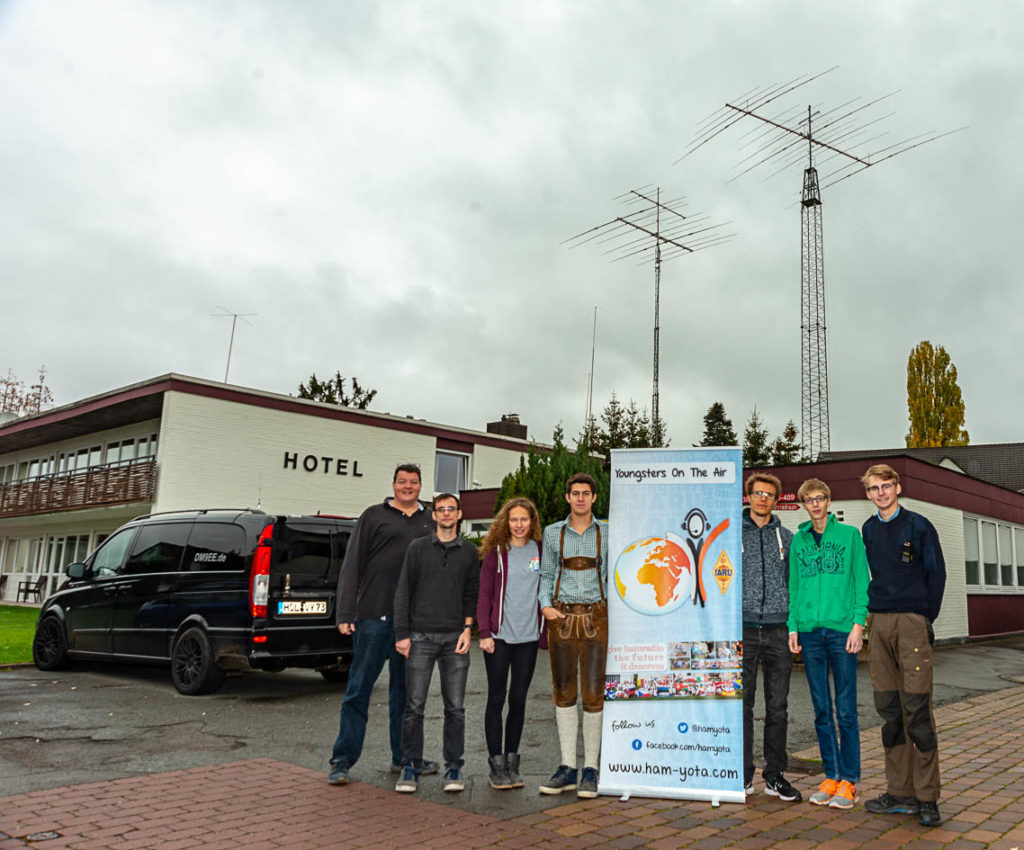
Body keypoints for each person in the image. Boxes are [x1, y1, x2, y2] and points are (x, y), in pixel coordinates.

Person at [327, 463, 437, 786]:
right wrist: (345, 613)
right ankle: (342, 760)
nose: (407, 486)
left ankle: (404, 757)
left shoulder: (430, 520)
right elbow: (352, 564)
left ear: (420, 486)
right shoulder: (373, 516)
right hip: (373, 617)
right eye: (402, 481)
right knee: (358, 690)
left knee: (406, 696)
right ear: (393, 485)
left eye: (413, 482)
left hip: (412, 623)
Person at [860, 464, 947, 827]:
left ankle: (927, 798)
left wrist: (923, 617)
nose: (880, 492)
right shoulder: (867, 530)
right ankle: (900, 792)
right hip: (879, 623)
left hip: (911, 622)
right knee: (890, 710)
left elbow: (936, 574)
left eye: (886, 485)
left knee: (917, 710)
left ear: (897, 487)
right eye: (873, 488)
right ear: (867, 493)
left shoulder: (919, 526)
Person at [788, 478, 869, 810]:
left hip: (841, 631)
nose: (816, 504)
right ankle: (831, 775)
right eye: (810, 499)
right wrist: (793, 627)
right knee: (821, 709)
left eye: (820, 498)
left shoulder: (850, 536)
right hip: (810, 633)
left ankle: (849, 780)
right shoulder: (798, 541)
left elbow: (861, 581)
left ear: (829, 501)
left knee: (846, 709)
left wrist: (858, 625)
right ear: (803, 504)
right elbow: (794, 586)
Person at [393, 493, 480, 794]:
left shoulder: (469, 552)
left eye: (450, 509)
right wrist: (402, 634)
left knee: (455, 707)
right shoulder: (417, 548)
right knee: (414, 706)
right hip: (420, 638)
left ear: (459, 514)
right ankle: (410, 765)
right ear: (433, 515)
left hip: (455, 639)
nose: (445, 514)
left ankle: (453, 766)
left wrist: (468, 629)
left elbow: (471, 594)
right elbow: (403, 591)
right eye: (440, 509)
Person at [537, 472, 609, 798]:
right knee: (564, 693)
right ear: (567, 497)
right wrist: (545, 606)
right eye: (575, 493)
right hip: (562, 618)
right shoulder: (553, 533)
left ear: (594, 497)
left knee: (594, 694)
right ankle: (567, 767)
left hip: (597, 617)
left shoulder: (607, 532)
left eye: (585, 493)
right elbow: (546, 574)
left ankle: (591, 769)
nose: (580, 498)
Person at [477, 497, 546, 790]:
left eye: (524, 519)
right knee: (496, 698)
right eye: (514, 519)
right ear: (506, 522)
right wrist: (484, 632)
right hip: (499, 638)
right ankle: (496, 764)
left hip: (528, 638)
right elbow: (484, 594)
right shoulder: (496, 553)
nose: (519, 525)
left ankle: (511, 761)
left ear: (532, 522)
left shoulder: (541, 551)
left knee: (518, 699)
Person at [741, 472, 801, 802]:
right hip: (743, 629)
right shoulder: (730, 534)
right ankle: (742, 774)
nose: (763, 498)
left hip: (778, 630)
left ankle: (774, 775)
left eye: (769, 494)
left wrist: (793, 626)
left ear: (776, 500)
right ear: (748, 496)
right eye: (758, 493)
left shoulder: (787, 538)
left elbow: (795, 585)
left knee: (777, 706)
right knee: (742, 705)